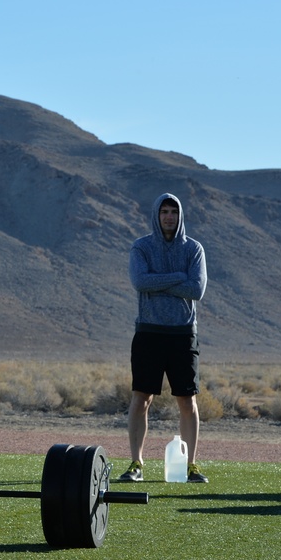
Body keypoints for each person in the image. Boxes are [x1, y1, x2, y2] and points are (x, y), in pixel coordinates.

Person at [119, 193, 209, 484]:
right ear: (156, 215)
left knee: (187, 401)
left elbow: (196, 290)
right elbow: (139, 282)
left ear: (180, 215)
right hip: (149, 332)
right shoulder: (141, 247)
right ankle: (136, 464)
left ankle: (191, 465)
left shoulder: (194, 249)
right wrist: (177, 277)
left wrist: (159, 281)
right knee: (141, 399)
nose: (169, 217)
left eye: (173, 212)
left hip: (183, 334)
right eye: (164, 212)